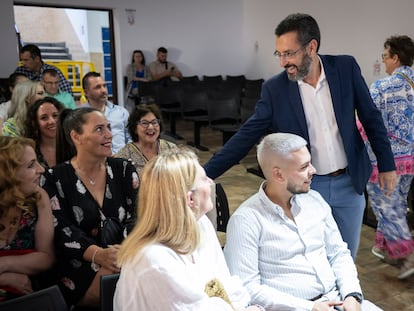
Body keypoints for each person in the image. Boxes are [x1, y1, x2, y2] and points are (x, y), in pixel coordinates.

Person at [204, 13, 397, 260]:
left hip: (350, 184)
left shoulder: (345, 69)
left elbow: (371, 118)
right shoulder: (275, 89)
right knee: (312, 257)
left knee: (346, 256)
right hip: (306, 187)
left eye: (289, 53)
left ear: (312, 47)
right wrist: (206, 172)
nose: (283, 62)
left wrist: (387, 164)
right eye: (279, 54)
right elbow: (246, 135)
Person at [224, 133, 382, 311]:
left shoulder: (314, 200)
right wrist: (309, 307)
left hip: (336, 299)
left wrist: (352, 295)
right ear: (278, 174)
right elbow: (247, 287)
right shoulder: (246, 220)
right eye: (304, 166)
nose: (313, 170)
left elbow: (339, 253)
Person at [114, 147, 264, 311]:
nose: (211, 182)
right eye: (205, 179)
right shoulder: (153, 259)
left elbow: (227, 285)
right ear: (190, 199)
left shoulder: (201, 224)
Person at [42, 107, 139, 308]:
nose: (109, 135)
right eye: (99, 129)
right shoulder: (53, 178)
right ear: (76, 136)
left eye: (109, 128)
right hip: (79, 260)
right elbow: (60, 228)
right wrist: (98, 254)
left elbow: (138, 215)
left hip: (126, 253)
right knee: (109, 281)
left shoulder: (123, 169)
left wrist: (124, 251)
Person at [364, 35, 414, 279]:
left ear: (395, 57)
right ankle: (388, 248)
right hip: (411, 159)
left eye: (385, 56)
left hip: (385, 162)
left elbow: (367, 122)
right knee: (399, 203)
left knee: (386, 207)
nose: (383, 61)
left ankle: (407, 256)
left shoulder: (382, 87)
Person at [0, 136, 54, 302]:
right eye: (31, 165)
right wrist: (5, 279)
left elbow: (46, 257)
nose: (41, 169)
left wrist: (3, 264)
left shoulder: (38, 197)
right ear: (8, 174)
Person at [114, 103, 176, 179]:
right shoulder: (124, 156)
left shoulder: (172, 149)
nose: (150, 127)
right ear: (135, 128)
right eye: (144, 123)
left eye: (154, 122)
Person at [82, 71, 131, 154]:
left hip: (122, 161)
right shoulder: (80, 115)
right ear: (86, 92)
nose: (103, 90)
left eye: (104, 86)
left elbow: (130, 139)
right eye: (97, 87)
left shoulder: (121, 112)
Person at [23, 97, 64, 168]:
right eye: (44, 118)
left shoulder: (73, 146)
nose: (52, 121)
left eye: (55, 116)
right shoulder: (28, 151)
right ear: (35, 123)